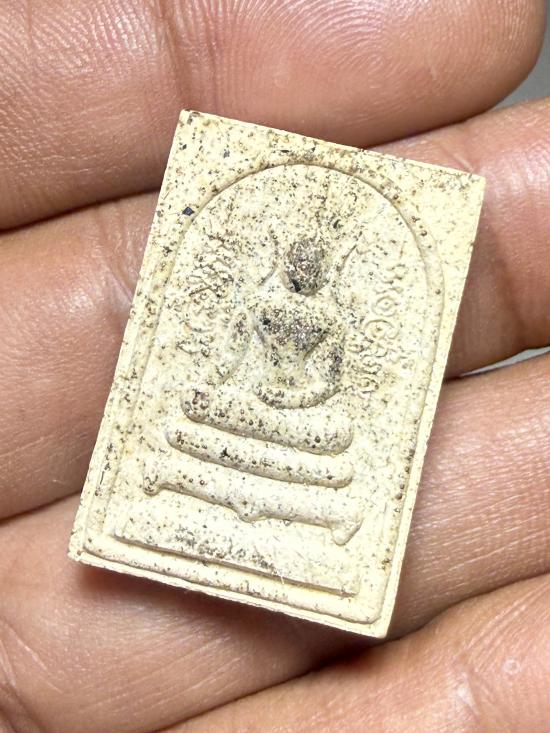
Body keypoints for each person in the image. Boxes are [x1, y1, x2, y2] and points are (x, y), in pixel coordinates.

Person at [0, 0, 548, 730]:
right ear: (288, 261)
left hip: (304, 418)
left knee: (335, 439)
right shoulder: (262, 299)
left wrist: (306, 398)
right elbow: (230, 361)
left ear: (321, 270)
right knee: (197, 413)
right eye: (296, 260)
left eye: (312, 264)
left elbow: (334, 382)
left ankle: (280, 508)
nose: (301, 270)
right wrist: (237, 386)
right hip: (249, 406)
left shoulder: (328, 316)